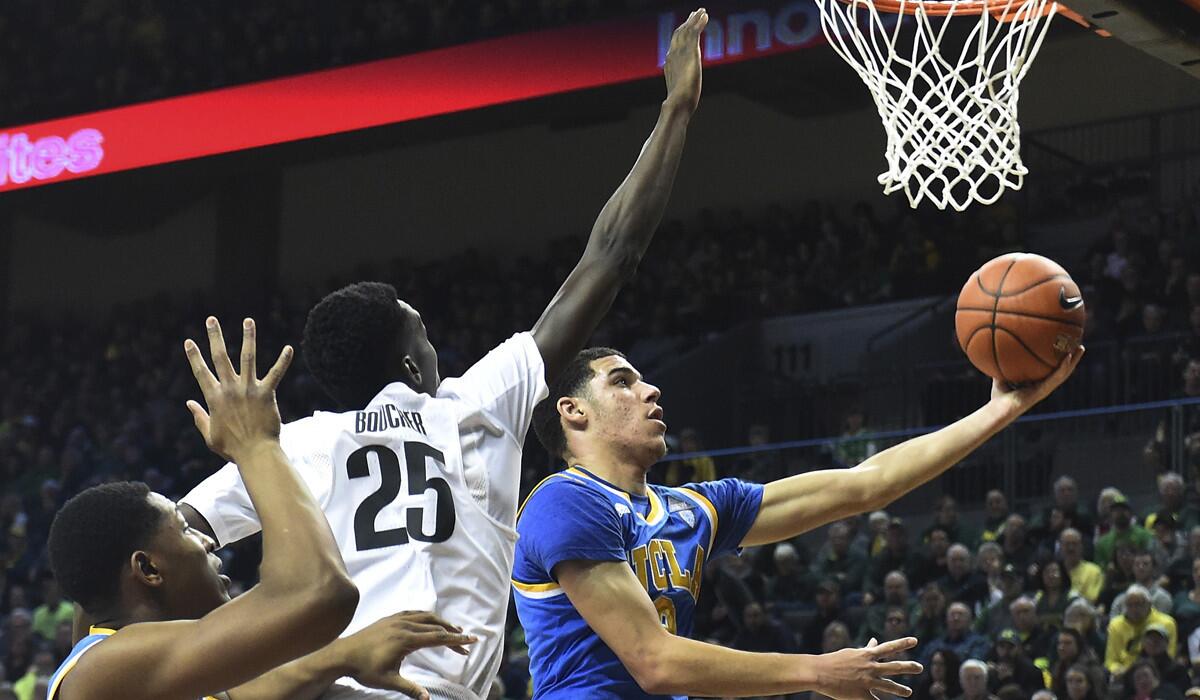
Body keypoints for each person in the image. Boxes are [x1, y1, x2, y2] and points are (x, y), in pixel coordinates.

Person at [180, 10, 712, 700]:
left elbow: (174, 532)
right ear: (410, 365)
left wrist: (209, 650)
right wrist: (675, 110)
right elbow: (611, 257)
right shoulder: (475, 403)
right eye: (424, 335)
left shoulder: (300, 445)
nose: (437, 351)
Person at [511, 339, 1081, 697]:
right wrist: (817, 671)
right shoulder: (565, 499)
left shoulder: (693, 509)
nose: (650, 388)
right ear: (573, 411)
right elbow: (654, 662)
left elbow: (867, 484)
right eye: (622, 381)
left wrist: (999, 411)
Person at [44, 319, 364, 699]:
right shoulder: (105, 668)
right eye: (184, 528)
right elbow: (321, 593)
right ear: (146, 568)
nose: (208, 540)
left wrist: (343, 657)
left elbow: (254, 689)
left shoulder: (153, 673)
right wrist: (256, 445)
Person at [1106, 585, 1179, 676]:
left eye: (1138, 604)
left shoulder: (1166, 623)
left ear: (1149, 604)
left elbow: (1169, 655)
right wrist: (1117, 670)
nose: (1134, 609)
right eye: (1129, 605)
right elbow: (1110, 660)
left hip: (1157, 673)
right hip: (1125, 673)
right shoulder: (1116, 625)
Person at [1096, 495, 1154, 569]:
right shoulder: (1103, 542)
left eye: (1124, 510)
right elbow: (1099, 568)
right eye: (1117, 510)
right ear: (1110, 514)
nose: (1120, 513)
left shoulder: (1144, 536)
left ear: (1131, 513)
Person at [1051, 628, 1107, 700]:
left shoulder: (1092, 668)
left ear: (1078, 645)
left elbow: (1100, 695)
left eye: (1067, 643)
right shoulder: (1058, 666)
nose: (1061, 647)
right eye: (1059, 643)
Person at [1060, 528, 1104, 605]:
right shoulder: (1054, 571)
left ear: (1081, 546)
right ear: (1060, 547)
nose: (1071, 548)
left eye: (1074, 544)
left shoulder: (1093, 571)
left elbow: (1092, 600)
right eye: (1067, 544)